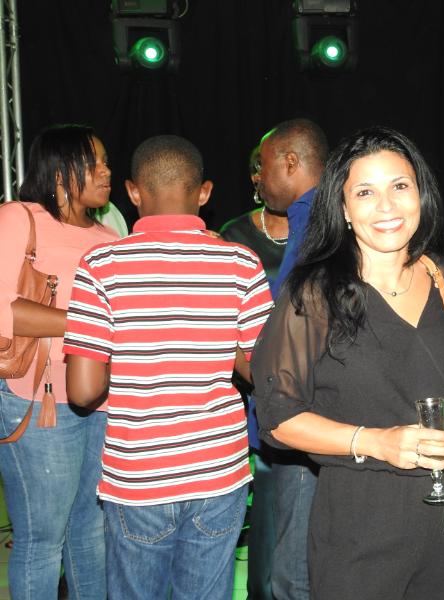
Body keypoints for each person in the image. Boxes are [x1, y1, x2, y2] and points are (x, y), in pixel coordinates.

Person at [251, 126, 444, 599]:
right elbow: (278, 416)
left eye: (400, 186)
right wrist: (377, 442)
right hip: (361, 531)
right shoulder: (314, 294)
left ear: (420, 194)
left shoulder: (439, 276)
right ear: (344, 209)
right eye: (365, 192)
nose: (386, 206)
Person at [62, 134, 274, 600]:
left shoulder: (101, 264)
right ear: (204, 192)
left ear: (133, 192)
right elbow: (265, 372)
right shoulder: (239, 261)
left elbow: (82, 390)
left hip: (139, 475)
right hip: (218, 470)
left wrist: (134, 355)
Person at [0, 124, 119, 600]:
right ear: (59, 170)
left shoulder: (109, 235)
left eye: (107, 162)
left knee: (92, 532)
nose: (107, 171)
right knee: (42, 539)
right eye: (96, 162)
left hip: (102, 400)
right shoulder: (18, 218)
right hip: (39, 400)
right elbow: (4, 310)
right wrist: (86, 322)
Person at [229, 118, 328, 600]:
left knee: (293, 572)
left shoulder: (311, 216)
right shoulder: (337, 209)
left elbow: (293, 320)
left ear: (291, 162)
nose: (258, 178)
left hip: (307, 408)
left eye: (264, 166)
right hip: (329, 408)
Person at [218, 143, 289, 600]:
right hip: (251, 376)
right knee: (267, 496)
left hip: (310, 375)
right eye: (257, 170)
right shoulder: (236, 233)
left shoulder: (321, 228)